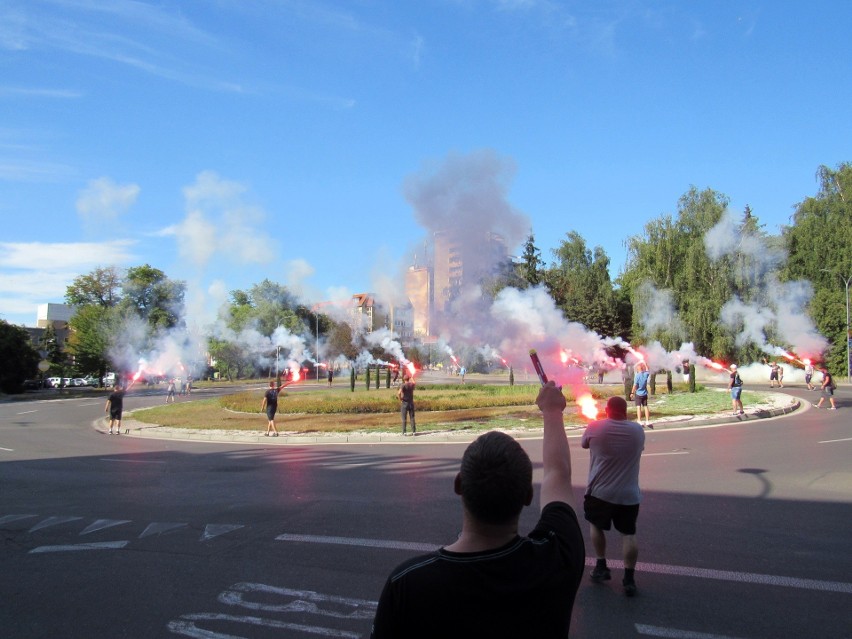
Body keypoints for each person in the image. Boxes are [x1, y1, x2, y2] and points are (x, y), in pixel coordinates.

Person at [371, 382, 584, 638]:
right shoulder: (557, 557)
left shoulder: (407, 583)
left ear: (459, 484)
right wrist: (552, 412)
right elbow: (557, 473)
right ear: (528, 495)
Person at [581, 395, 645, 597]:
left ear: (607, 410)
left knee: (596, 526)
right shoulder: (638, 430)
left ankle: (601, 565)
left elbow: (584, 444)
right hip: (629, 494)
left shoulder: (594, 427)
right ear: (625, 411)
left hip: (600, 492)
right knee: (629, 533)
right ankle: (629, 578)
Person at [630, 361, 652, 429]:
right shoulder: (645, 374)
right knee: (645, 407)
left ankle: (639, 420)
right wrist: (645, 363)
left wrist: (632, 393)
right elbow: (648, 369)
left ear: (638, 369)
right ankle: (647, 421)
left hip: (638, 394)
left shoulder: (637, 376)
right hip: (644, 393)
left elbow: (635, 385)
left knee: (638, 407)